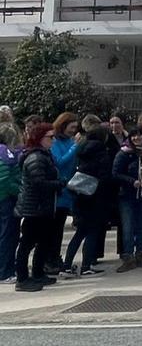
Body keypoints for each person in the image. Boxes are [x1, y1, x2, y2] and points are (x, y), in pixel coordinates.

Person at [14, 123, 64, 292]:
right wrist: (59, 184)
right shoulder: (35, 157)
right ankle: (22, 278)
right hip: (34, 208)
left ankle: (37, 273)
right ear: (40, 138)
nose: (53, 140)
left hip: (43, 206)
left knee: (43, 241)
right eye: (50, 137)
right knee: (27, 243)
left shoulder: (44, 155)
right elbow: (39, 183)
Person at [62, 125, 113, 278]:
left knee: (79, 233)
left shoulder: (81, 150)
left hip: (80, 196)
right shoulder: (102, 152)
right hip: (95, 197)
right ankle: (86, 266)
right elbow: (105, 176)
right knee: (92, 232)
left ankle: (66, 265)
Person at [112, 126, 142, 272]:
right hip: (127, 195)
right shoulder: (123, 153)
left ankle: (140, 254)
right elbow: (115, 173)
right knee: (127, 227)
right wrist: (131, 181)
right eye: (133, 136)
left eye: (140, 135)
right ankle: (127, 256)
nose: (136, 138)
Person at [47, 113, 80, 275]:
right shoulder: (56, 142)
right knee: (53, 228)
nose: (73, 131)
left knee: (59, 229)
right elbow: (59, 161)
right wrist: (75, 147)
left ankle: (56, 257)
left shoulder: (70, 141)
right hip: (58, 189)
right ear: (63, 125)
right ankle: (50, 259)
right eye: (71, 127)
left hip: (69, 188)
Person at [0, 123, 23, 285]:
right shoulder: (5, 153)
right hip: (6, 199)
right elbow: (5, 178)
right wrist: (19, 189)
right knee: (8, 235)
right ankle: (5, 271)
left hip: (5, 197)